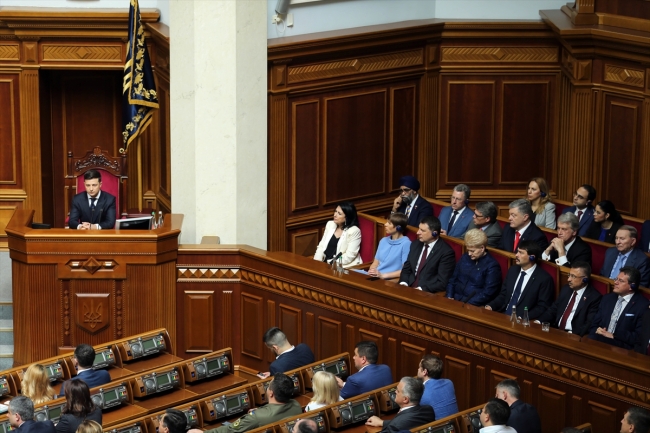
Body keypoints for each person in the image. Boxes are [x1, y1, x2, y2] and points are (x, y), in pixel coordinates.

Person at [197, 374, 302, 433]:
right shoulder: (296, 405)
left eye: (268, 386)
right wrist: (260, 412)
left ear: (271, 393)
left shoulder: (256, 417)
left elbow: (230, 430)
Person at [486, 240, 554, 321]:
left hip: (521, 320)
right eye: (517, 252)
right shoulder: (513, 270)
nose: (516, 255)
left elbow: (542, 307)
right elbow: (504, 295)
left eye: (521, 253)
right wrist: (490, 306)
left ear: (532, 257)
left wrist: (523, 317)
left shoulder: (544, 279)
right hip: (503, 315)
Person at [589, 266, 650, 349]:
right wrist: (598, 330)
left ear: (632, 286)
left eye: (620, 281)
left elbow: (639, 337)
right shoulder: (607, 298)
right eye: (616, 279)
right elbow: (594, 324)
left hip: (622, 347)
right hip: (599, 340)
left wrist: (614, 335)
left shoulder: (642, 306)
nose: (615, 282)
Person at [536, 261, 602, 336]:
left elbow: (589, 323)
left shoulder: (594, 297)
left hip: (573, 335)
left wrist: (572, 334)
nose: (568, 279)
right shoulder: (566, 289)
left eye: (573, 276)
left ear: (584, 279)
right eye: (569, 275)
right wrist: (538, 321)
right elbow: (553, 309)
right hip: (556, 331)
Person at [398, 216, 456, 293]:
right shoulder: (415, 244)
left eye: (422, 230)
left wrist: (421, 289)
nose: (418, 232)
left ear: (434, 233)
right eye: (419, 229)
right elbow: (407, 268)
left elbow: (442, 282)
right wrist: (403, 283)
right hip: (408, 287)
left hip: (426, 292)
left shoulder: (446, 252)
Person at [446, 229, 501, 306]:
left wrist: (466, 303)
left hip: (473, 305)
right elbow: (452, 280)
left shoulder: (492, 266)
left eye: (472, 251)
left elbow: (487, 293)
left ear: (482, 248)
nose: (469, 253)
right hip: (454, 299)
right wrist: (449, 296)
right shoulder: (465, 257)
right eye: (468, 250)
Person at [364, 377, 435, 433]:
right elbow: (407, 422)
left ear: (405, 399)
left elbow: (398, 424)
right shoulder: (428, 410)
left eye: (398, 390)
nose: (395, 392)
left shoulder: (394, 427)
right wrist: (382, 422)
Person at [313, 201, 362, 268]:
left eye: (339, 213)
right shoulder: (330, 224)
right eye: (335, 211)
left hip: (342, 266)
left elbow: (350, 255)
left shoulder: (354, 231)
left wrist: (331, 263)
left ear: (347, 217)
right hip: (324, 264)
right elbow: (321, 246)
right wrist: (316, 262)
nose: (335, 215)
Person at [367, 212, 411, 280]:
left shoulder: (406, 244)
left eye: (389, 223)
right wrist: (372, 271)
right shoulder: (383, 241)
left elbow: (404, 270)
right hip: (375, 276)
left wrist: (383, 275)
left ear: (398, 228)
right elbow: (375, 263)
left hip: (388, 279)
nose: (385, 224)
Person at [416, 354, 458, 420]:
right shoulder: (449, 383)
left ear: (424, 372)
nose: (418, 370)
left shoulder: (422, 394)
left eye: (419, 367)